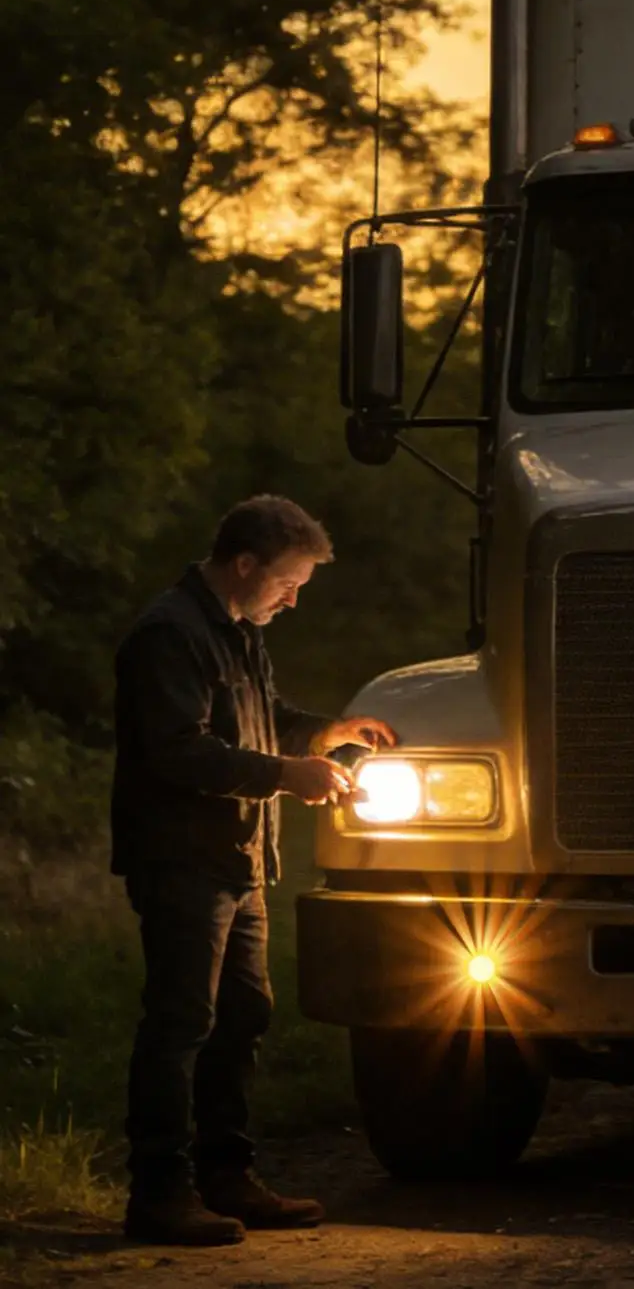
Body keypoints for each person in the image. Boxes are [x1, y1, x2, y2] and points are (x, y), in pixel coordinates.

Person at [111, 495, 397, 1247]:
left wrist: (324, 735)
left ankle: (227, 1176)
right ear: (245, 565)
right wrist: (285, 774)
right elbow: (178, 750)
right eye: (287, 582)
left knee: (242, 1016)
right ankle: (160, 1192)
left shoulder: (238, 629)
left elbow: (264, 711)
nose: (293, 598)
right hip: (183, 862)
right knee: (181, 1025)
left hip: (237, 861)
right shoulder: (169, 635)